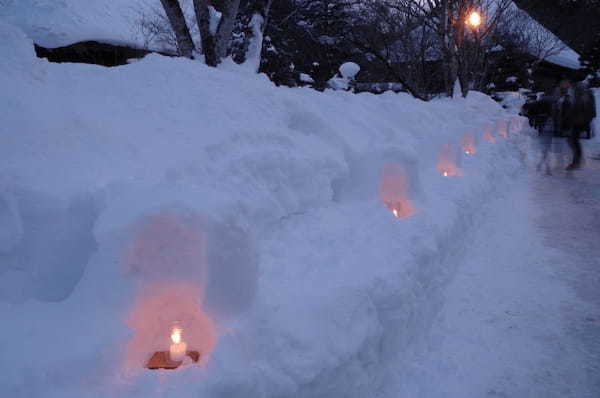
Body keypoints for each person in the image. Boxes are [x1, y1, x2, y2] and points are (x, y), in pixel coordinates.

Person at [553, 78, 597, 170]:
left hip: (581, 121)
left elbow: (582, 110)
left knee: (573, 140)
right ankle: (577, 160)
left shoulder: (583, 96)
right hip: (580, 121)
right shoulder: (583, 95)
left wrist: (577, 119)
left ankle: (576, 162)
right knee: (572, 140)